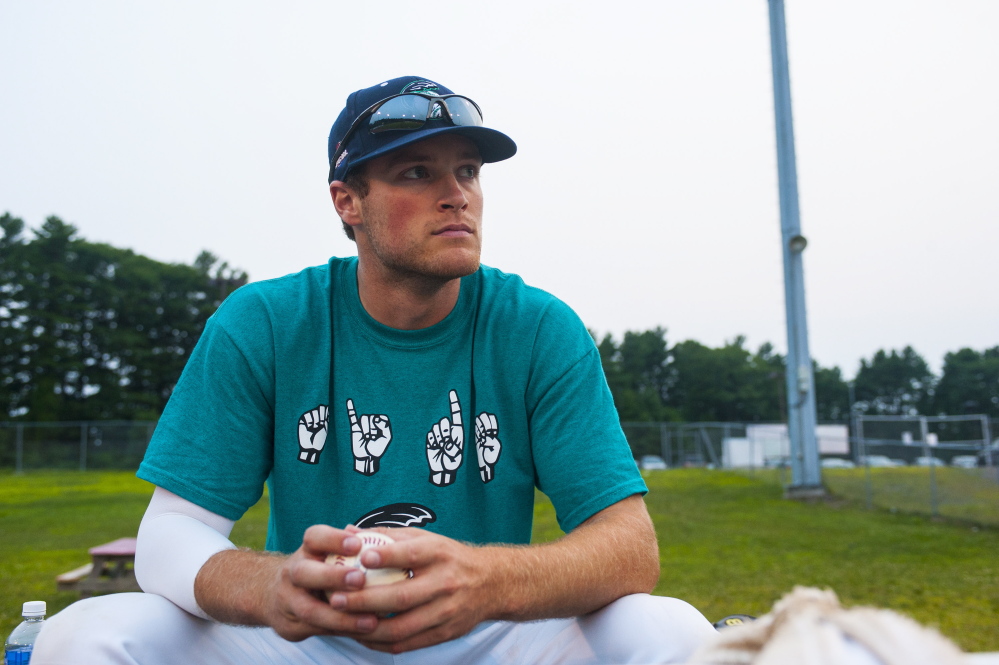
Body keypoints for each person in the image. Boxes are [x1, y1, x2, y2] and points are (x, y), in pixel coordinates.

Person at [33, 76, 716, 664]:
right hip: (307, 635)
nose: (456, 195)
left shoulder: (537, 326)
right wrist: (275, 587)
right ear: (347, 202)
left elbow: (630, 547)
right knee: (88, 632)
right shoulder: (266, 320)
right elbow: (166, 537)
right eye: (417, 172)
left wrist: (483, 576)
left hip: (485, 630)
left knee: (673, 630)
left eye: (468, 171)